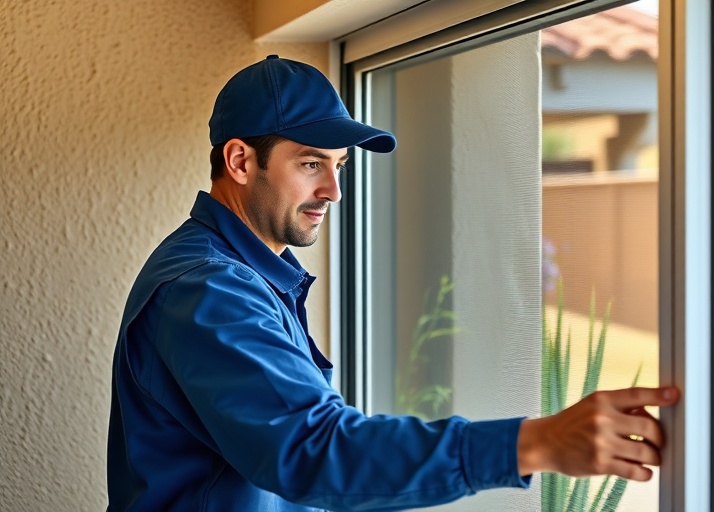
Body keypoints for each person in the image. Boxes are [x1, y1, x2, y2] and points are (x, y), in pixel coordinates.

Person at [106, 55, 680, 512]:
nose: (333, 190)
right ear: (239, 160)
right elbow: (311, 451)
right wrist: (535, 443)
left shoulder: (245, 273)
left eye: (339, 166)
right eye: (310, 164)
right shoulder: (207, 290)